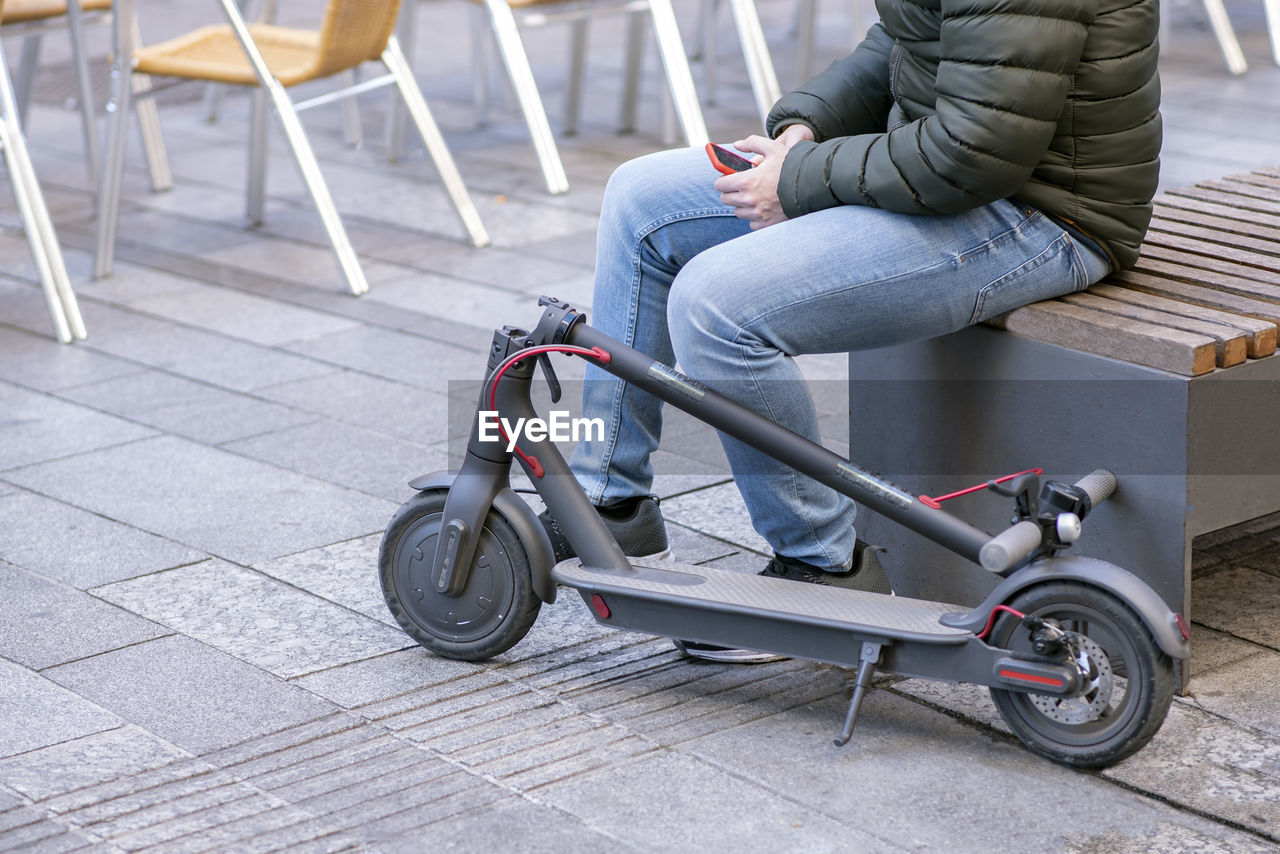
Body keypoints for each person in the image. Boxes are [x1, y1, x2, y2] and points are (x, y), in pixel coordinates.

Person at [540, 0, 1161, 660]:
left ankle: (823, 567)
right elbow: (905, 40)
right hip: (946, 172)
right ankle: (613, 504)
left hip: (1039, 212)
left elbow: (978, 150)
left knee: (716, 305)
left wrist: (800, 182)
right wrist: (806, 129)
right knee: (641, 198)